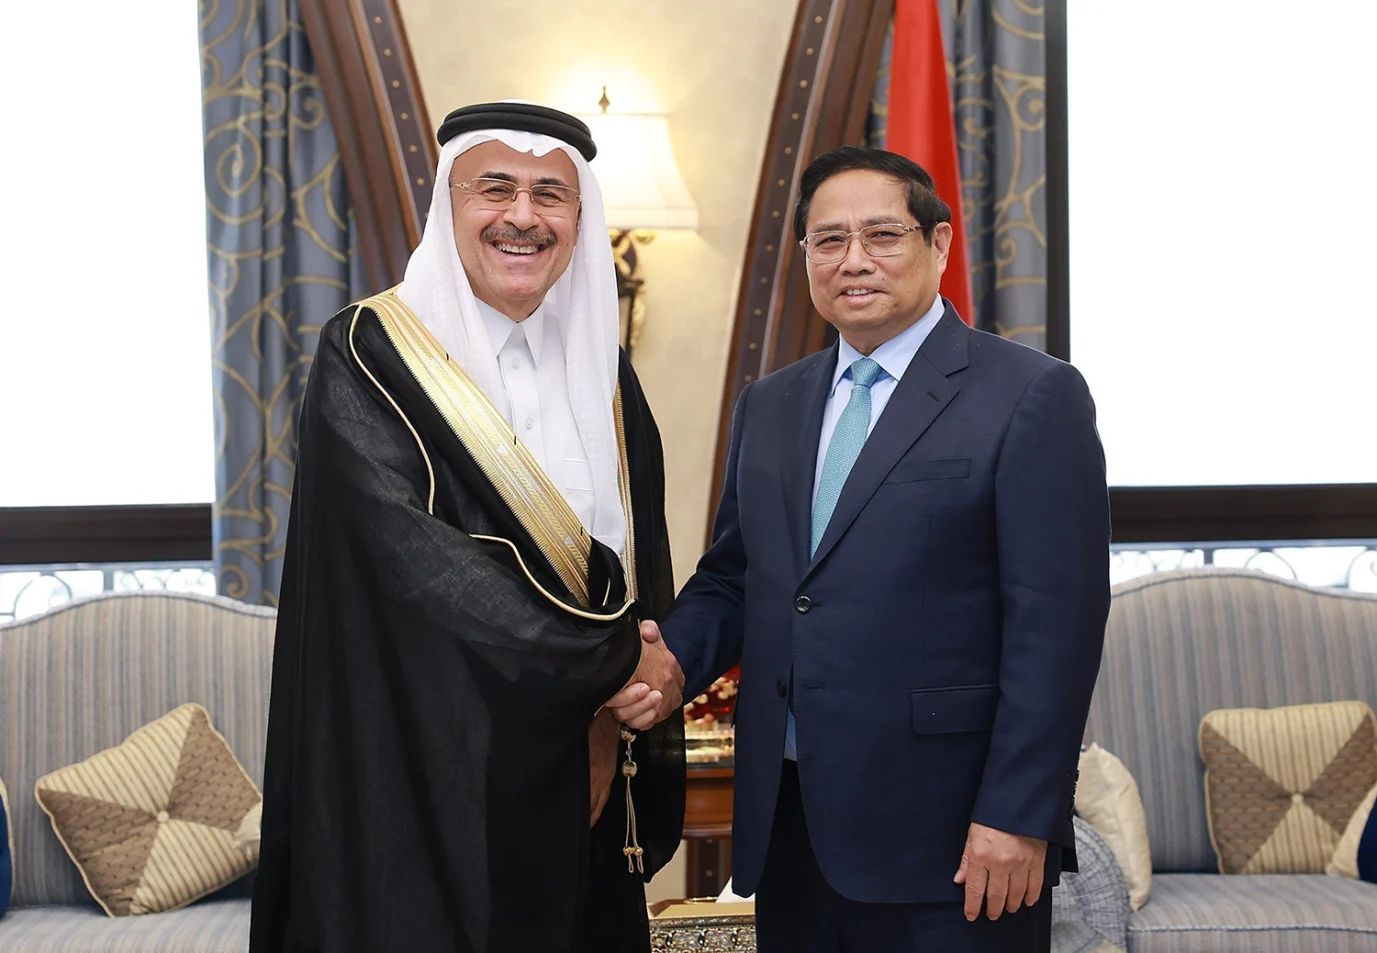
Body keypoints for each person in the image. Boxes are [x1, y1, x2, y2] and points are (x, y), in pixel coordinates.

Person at [611, 146, 1110, 952]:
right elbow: (737, 579)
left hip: (954, 837)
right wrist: (665, 661)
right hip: (790, 825)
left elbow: (1056, 627)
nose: (853, 260)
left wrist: (1018, 814)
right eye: (828, 239)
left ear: (938, 243)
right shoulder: (769, 403)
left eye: (881, 235)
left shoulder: (1030, 394)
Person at [250, 102, 685, 953]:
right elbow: (417, 566)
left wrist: (621, 702)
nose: (523, 215)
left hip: (578, 761)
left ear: (579, 216)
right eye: (495, 189)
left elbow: (634, 564)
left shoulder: (604, 372)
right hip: (422, 760)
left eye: (550, 194)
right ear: (448, 207)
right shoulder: (369, 352)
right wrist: (612, 660)